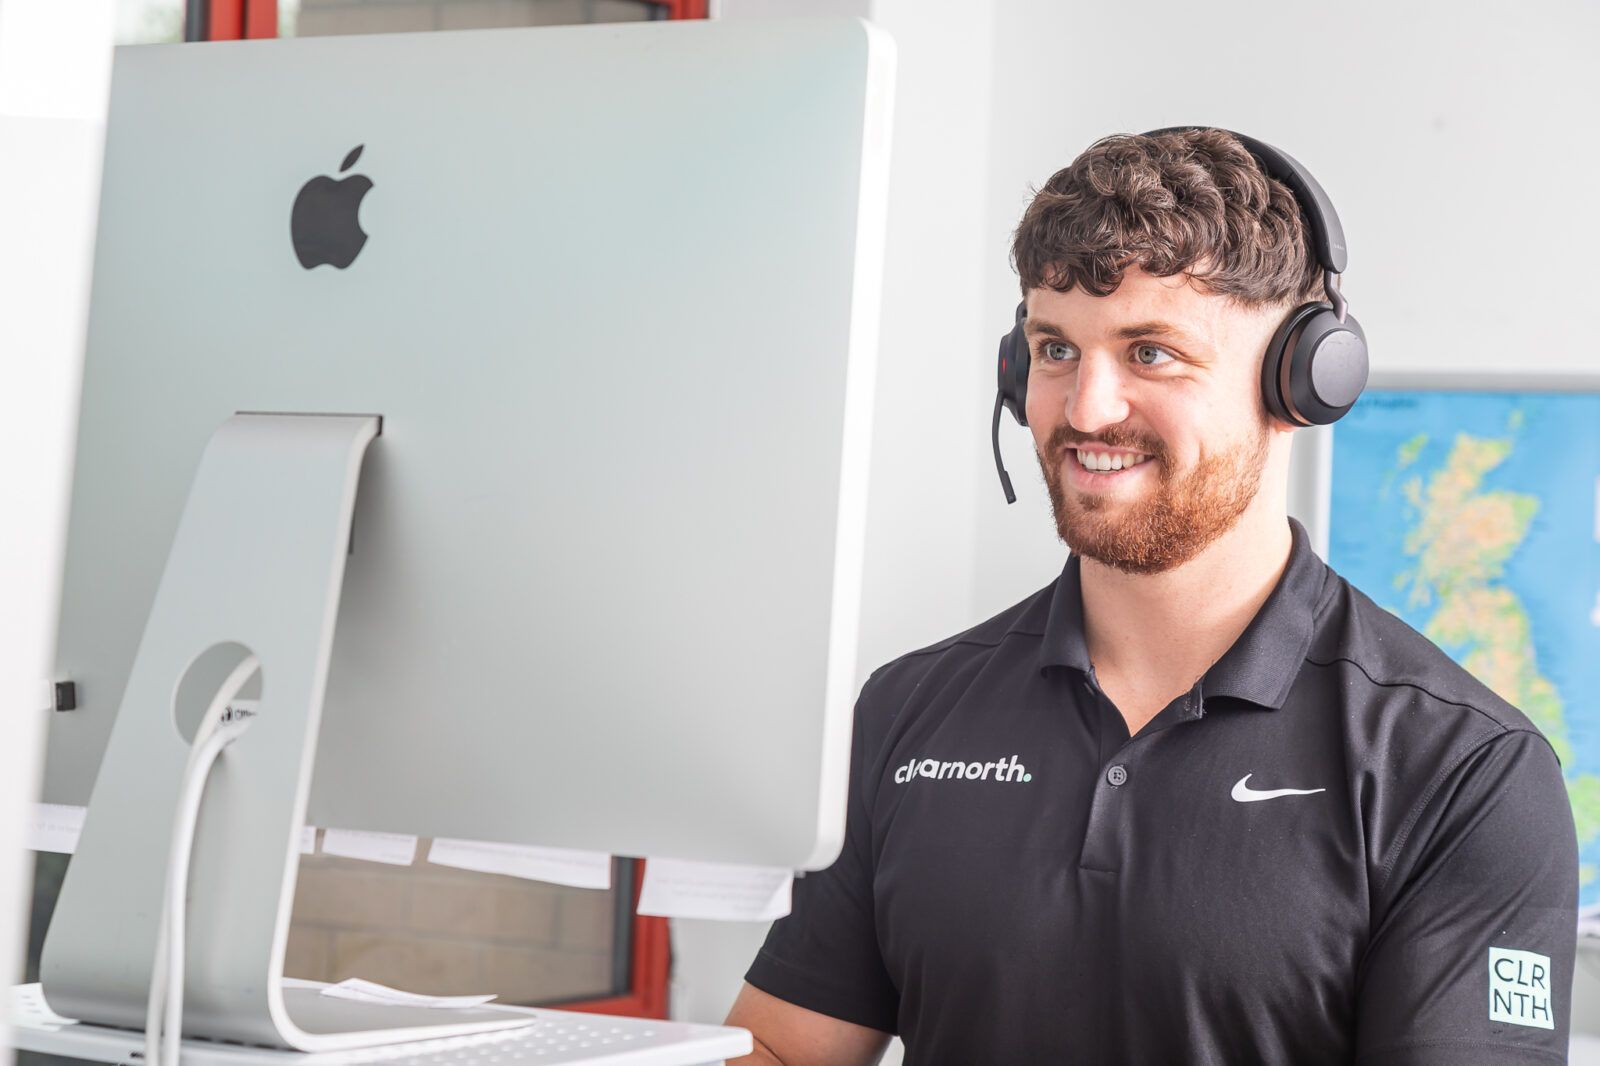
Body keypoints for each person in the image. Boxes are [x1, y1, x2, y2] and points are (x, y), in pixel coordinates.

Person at [722, 127, 1579, 1064]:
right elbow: (784, 1049)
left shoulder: (1463, 770)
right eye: (1055, 349)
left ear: (1302, 379)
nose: (1086, 409)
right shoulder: (907, 711)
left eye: (1152, 353)